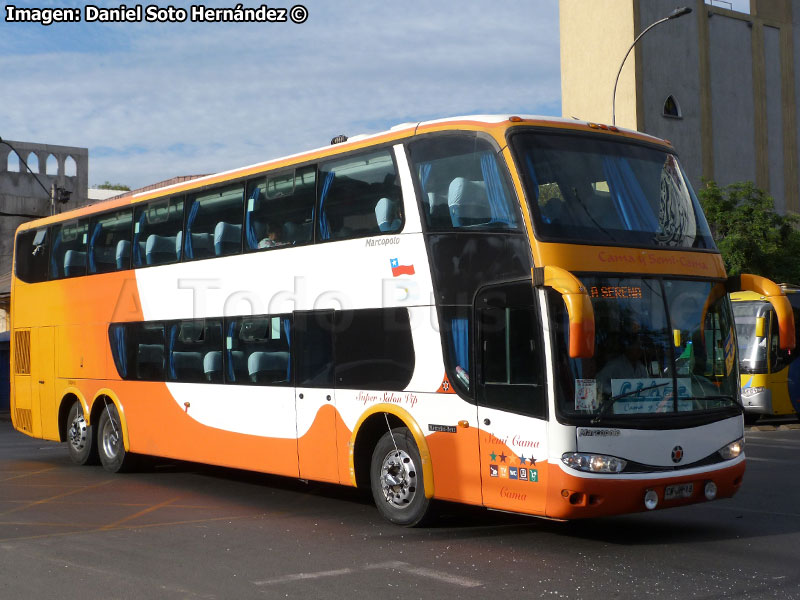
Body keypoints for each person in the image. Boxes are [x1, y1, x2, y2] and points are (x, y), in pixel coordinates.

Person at [596, 333, 649, 398]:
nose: (639, 350)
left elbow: (647, 386)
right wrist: (613, 393)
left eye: (640, 347)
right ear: (628, 348)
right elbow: (599, 382)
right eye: (636, 347)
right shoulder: (615, 365)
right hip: (618, 404)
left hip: (639, 404)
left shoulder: (641, 367)